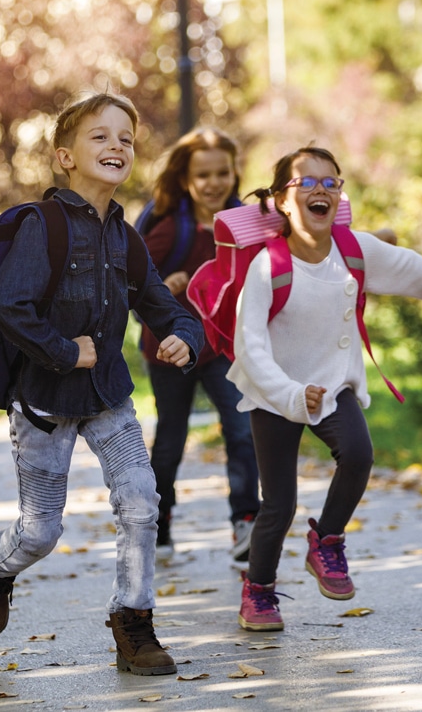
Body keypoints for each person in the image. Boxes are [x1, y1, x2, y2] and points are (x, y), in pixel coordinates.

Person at [0, 92, 203, 677]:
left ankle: (134, 624)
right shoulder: (42, 225)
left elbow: (161, 303)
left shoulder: (126, 236)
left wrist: (185, 336)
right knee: (40, 532)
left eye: (125, 137)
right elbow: (8, 305)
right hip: (42, 403)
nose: (116, 146)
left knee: (142, 502)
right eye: (99, 136)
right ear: (64, 156)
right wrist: (65, 351)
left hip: (108, 397)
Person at [228, 146, 422, 632]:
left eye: (331, 181)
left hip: (332, 385)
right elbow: (250, 347)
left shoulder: (354, 251)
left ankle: (327, 540)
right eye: (306, 182)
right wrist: (287, 393)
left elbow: (413, 269)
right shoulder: (267, 267)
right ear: (283, 200)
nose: (320, 189)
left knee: (359, 453)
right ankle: (259, 591)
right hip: (275, 393)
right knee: (278, 505)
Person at [137, 127, 260, 563]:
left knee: (242, 429)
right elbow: (134, 278)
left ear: (235, 173)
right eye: (203, 174)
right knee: (171, 438)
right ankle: (160, 519)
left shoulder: (246, 221)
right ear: (186, 178)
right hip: (170, 346)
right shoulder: (172, 227)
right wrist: (163, 287)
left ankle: (246, 521)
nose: (214, 182)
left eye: (222, 172)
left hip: (224, 347)